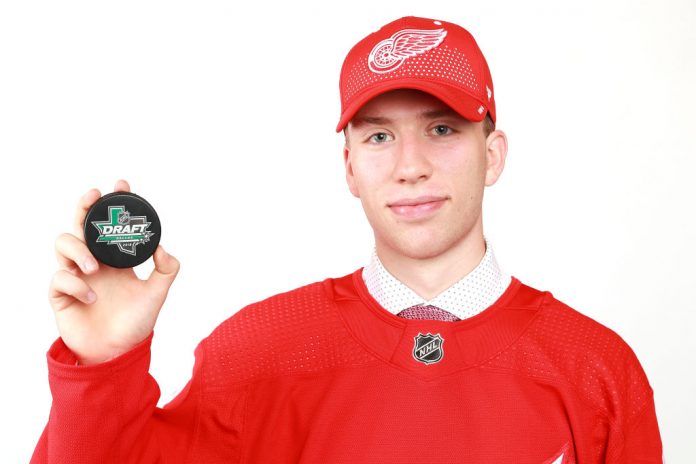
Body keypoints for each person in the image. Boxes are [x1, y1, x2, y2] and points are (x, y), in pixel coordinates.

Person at [31, 15, 663, 463]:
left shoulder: (596, 370)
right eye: (379, 136)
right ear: (350, 168)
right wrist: (103, 366)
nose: (410, 165)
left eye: (442, 129)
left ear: (492, 155)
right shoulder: (254, 354)